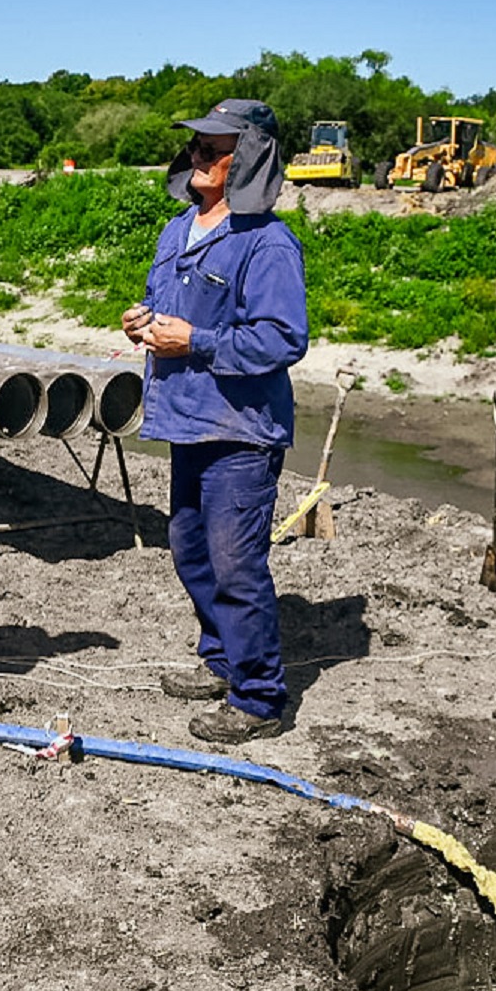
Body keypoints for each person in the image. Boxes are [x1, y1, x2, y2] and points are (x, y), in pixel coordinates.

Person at [121, 99, 308, 744]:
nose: (197, 155)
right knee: (190, 549)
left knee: (236, 564)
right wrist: (143, 320)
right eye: (196, 145)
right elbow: (165, 304)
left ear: (249, 158)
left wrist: (195, 341)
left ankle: (258, 697)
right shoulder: (178, 231)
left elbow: (283, 338)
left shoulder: (269, 243)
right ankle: (222, 659)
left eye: (213, 147)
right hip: (187, 420)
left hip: (240, 429)